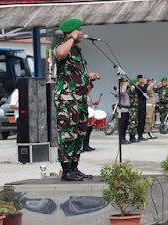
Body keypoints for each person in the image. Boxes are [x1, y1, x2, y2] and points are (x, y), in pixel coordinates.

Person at [54, 18, 99, 182]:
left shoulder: (77, 51)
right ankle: (66, 171)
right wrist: (71, 38)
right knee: (67, 134)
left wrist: (88, 77)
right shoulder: (62, 48)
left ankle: (74, 168)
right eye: (78, 30)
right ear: (71, 32)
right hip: (67, 101)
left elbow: (74, 74)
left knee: (80, 133)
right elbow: (60, 54)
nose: (81, 33)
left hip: (79, 101)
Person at [83, 82, 100, 151]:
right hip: (85, 114)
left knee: (89, 130)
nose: (90, 90)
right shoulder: (83, 95)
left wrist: (94, 103)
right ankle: (83, 146)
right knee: (85, 131)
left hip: (90, 114)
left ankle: (87, 145)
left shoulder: (89, 95)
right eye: (89, 88)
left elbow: (90, 103)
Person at [118, 78, 131, 144]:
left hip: (126, 109)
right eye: (124, 82)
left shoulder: (125, 89)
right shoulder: (120, 89)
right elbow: (122, 92)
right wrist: (124, 85)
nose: (126, 84)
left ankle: (124, 138)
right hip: (122, 110)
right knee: (122, 125)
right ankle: (121, 139)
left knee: (125, 125)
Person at [136, 75, 148, 141]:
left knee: (142, 120)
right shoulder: (137, 86)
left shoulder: (140, 86)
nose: (144, 79)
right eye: (143, 78)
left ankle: (141, 134)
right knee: (140, 120)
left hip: (143, 105)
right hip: (139, 105)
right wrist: (146, 84)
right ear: (139, 79)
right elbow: (144, 90)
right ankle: (139, 135)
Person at [128, 78, 140, 143]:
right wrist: (134, 85)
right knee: (132, 122)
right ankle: (131, 136)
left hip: (135, 108)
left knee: (135, 122)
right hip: (131, 108)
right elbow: (130, 90)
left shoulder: (135, 90)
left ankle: (134, 135)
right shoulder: (130, 89)